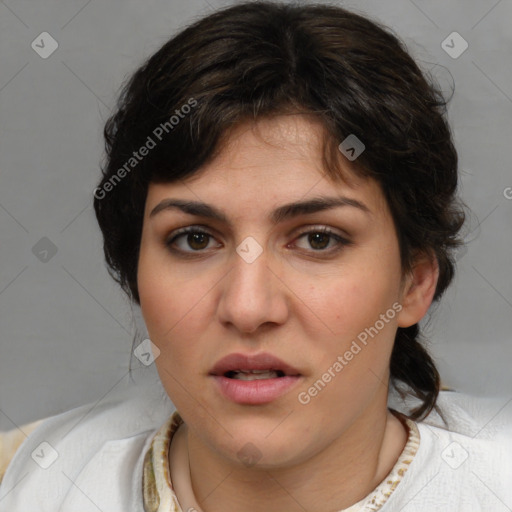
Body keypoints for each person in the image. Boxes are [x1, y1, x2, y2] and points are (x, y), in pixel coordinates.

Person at [1, 1, 511, 510]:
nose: (247, 307)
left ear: (414, 283)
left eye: (318, 239)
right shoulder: (29, 481)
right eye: (194, 239)